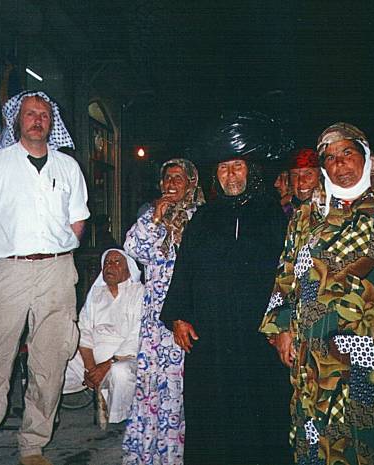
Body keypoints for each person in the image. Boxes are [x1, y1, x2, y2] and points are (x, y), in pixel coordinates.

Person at [260, 122, 374, 465]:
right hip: (315, 353)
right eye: (329, 158)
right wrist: (282, 329)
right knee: (321, 438)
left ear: (366, 157)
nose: (339, 164)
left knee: (373, 432)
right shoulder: (305, 217)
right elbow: (286, 273)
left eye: (347, 154)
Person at [0, 91, 89, 465]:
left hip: (58, 271)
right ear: (18, 121)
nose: (37, 120)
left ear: (51, 122)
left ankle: (32, 445)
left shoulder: (68, 167)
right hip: (9, 271)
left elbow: (78, 220)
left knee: (50, 361)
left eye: (44, 114)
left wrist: (57, 250)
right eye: (30, 113)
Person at [160, 112, 291, 465]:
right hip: (211, 341)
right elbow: (184, 270)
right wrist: (179, 317)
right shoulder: (204, 219)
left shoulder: (274, 217)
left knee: (261, 415)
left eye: (237, 167)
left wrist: (284, 326)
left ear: (251, 171)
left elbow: (290, 275)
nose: (230, 176)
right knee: (211, 417)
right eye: (223, 169)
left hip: (257, 339)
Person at [122, 158, 205, 465]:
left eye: (179, 178)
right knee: (150, 385)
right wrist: (156, 217)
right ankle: (147, 454)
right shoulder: (151, 216)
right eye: (167, 178)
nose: (172, 184)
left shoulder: (201, 218)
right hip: (154, 317)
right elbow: (133, 249)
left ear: (191, 184)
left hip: (185, 314)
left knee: (178, 387)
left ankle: (177, 457)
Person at [63, 249, 143, 427]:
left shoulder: (139, 293)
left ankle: (116, 416)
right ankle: (47, 409)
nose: (110, 266)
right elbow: (83, 330)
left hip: (124, 357)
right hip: (93, 356)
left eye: (116, 262)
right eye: (107, 262)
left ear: (129, 269)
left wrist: (105, 366)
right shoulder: (96, 294)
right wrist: (91, 367)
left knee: (120, 372)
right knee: (58, 358)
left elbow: (136, 335)